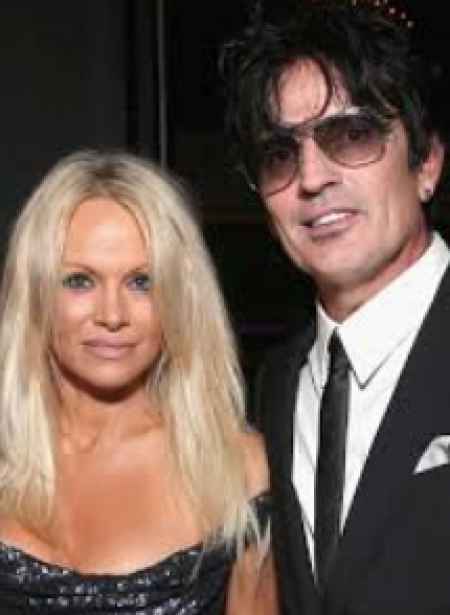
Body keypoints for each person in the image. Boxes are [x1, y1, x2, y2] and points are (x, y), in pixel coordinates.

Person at [221, 1, 450, 614]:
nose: (312, 177)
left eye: (351, 135)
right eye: (279, 153)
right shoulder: (276, 383)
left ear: (426, 162)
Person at [0, 150, 278, 614]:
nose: (112, 315)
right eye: (79, 281)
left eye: (141, 282)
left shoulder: (238, 470)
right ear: (35, 293)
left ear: (180, 299)